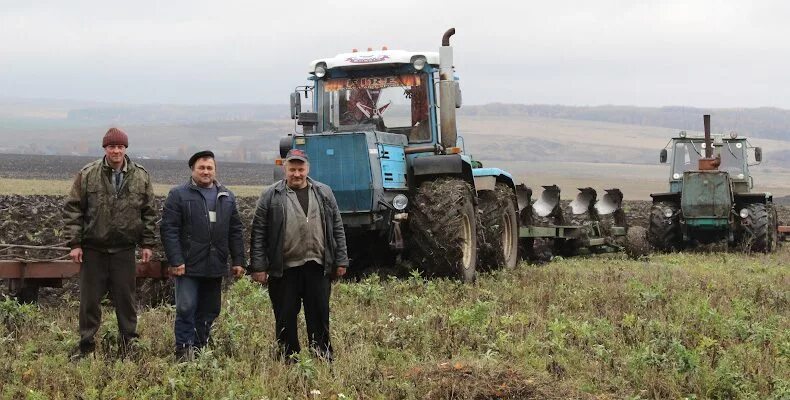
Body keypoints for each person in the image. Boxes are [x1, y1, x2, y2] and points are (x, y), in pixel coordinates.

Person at [63, 127, 157, 360]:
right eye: (111, 146)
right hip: (93, 249)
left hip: (124, 250)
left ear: (126, 149)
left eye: (120, 146)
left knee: (126, 301)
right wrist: (75, 244)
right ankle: (86, 346)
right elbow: (73, 209)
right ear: (105, 148)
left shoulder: (141, 176)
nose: (116, 150)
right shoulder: (88, 174)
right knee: (89, 301)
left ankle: (129, 345)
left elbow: (149, 213)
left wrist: (147, 244)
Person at [249, 148, 348, 362]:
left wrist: (341, 259)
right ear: (285, 169)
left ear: (307, 169)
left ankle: (322, 356)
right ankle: (288, 358)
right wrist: (258, 266)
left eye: (300, 169)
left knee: (319, 314)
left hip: (317, 266)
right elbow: (258, 232)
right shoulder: (271, 195)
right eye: (292, 169)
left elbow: (337, 227)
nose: (296, 174)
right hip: (284, 268)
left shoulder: (324, 192)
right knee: (285, 316)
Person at [160, 150, 246, 361]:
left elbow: (235, 230)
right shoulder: (178, 194)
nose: (206, 172)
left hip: (215, 263)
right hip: (188, 264)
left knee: (210, 309)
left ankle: (200, 349)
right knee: (186, 307)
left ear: (215, 170)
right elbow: (169, 229)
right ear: (193, 170)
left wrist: (238, 260)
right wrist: (176, 259)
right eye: (202, 167)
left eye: (210, 168)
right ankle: (183, 351)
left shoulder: (226, 196)